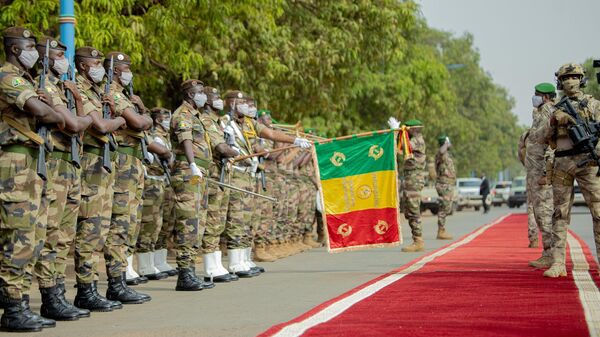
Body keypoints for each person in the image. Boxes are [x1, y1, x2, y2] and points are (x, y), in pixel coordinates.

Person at [0, 26, 66, 332]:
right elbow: (51, 115)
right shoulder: (7, 77)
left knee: (35, 235)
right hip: (13, 163)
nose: (33, 53)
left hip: (30, 162)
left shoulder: (26, 80)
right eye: (28, 47)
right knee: (19, 236)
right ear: (15, 49)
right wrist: (48, 106)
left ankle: (20, 302)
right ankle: (14, 308)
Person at [31, 36, 93, 321]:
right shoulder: (42, 87)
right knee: (51, 233)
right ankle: (49, 295)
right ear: (45, 59)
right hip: (54, 165)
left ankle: (58, 293)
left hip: (71, 165)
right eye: (56, 55)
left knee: (65, 235)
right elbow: (71, 126)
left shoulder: (63, 89)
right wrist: (78, 119)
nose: (61, 60)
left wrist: (79, 100)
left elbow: (79, 129)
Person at [540, 63, 600, 278]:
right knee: (560, 214)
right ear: (560, 83)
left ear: (582, 79)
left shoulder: (593, 105)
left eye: (575, 77)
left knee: (599, 212)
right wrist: (555, 121)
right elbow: (542, 137)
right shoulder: (555, 108)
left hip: (588, 163)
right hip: (563, 164)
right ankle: (558, 262)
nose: (570, 81)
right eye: (566, 78)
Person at [103, 51, 152, 302]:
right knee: (120, 223)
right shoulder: (111, 92)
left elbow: (143, 121)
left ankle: (122, 278)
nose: (128, 72)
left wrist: (142, 110)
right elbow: (140, 124)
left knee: (130, 223)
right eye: (124, 68)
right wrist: (143, 115)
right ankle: (115, 282)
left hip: (133, 161)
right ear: (113, 71)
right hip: (122, 161)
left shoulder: (125, 96)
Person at [170, 79, 215, 290]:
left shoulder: (197, 115)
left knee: (199, 220)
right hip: (189, 172)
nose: (203, 96)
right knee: (188, 221)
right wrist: (192, 163)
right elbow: (185, 139)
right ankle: (184, 273)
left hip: (200, 172)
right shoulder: (183, 114)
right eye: (199, 92)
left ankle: (191, 270)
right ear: (190, 95)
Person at [198, 86, 240, 282]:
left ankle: (216, 263)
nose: (218, 100)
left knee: (219, 220)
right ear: (206, 100)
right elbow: (221, 148)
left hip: (221, 175)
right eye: (215, 97)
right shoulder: (206, 120)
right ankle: (209, 267)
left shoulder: (217, 122)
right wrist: (236, 152)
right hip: (214, 175)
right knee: (212, 220)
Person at [135, 107, 173, 280]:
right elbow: (162, 153)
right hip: (151, 181)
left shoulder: (165, 135)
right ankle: (144, 265)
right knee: (147, 224)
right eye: (166, 117)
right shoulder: (152, 134)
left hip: (160, 182)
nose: (168, 120)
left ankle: (156, 262)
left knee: (159, 224)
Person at [525, 83, 555, 267]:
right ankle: (547, 253)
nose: (534, 97)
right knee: (539, 214)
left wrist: (546, 172)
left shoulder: (548, 113)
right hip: (535, 173)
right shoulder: (539, 113)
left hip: (541, 174)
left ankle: (551, 255)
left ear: (545, 97)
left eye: (536, 94)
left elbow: (551, 144)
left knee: (544, 214)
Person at [391, 118, 427, 252]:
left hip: (414, 179)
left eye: (407, 129)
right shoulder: (413, 140)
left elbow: (398, 149)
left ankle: (418, 241)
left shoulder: (417, 141)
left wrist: (394, 134)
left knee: (413, 210)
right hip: (411, 179)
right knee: (410, 210)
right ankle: (417, 239)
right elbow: (401, 150)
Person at [435, 134, 455, 240]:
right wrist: (446, 143)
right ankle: (441, 231)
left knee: (446, 207)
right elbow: (441, 151)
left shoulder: (447, 154)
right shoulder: (441, 153)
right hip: (443, 184)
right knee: (444, 207)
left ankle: (442, 229)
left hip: (448, 184)